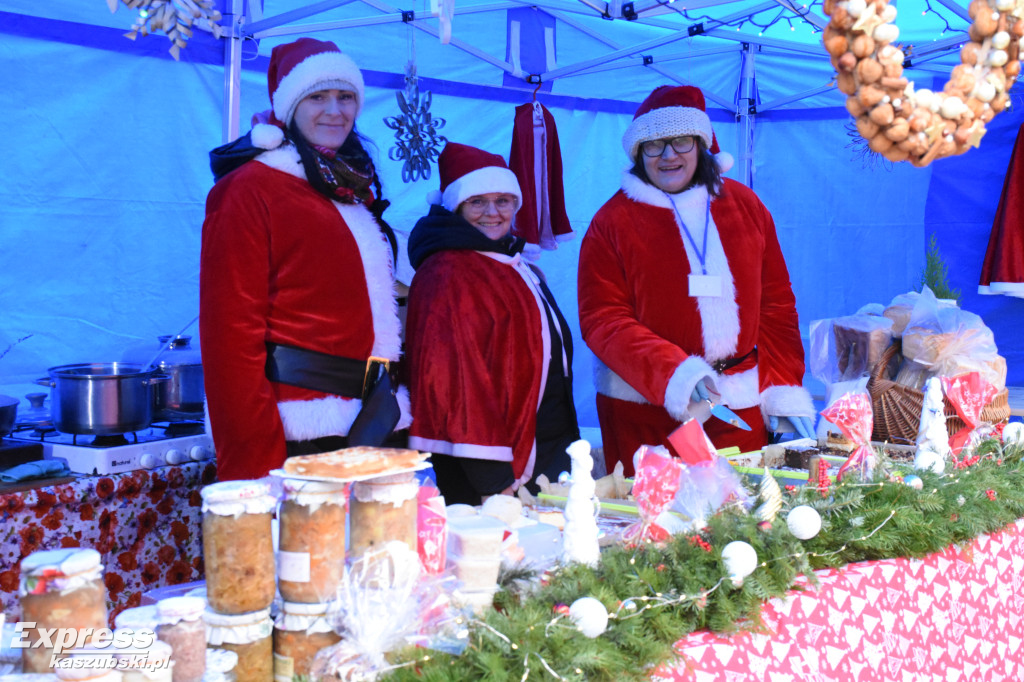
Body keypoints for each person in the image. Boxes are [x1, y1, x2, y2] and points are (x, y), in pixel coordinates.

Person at [577, 85, 815, 477]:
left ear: (701, 144)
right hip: (645, 413)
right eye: (653, 145)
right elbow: (603, 319)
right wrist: (673, 373)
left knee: (742, 524)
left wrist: (784, 389)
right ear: (639, 154)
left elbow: (776, 307)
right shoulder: (612, 222)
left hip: (737, 409)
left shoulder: (746, 207)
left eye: (681, 141)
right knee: (657, 528)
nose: (668, 155)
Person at [200, 38, 410, 481]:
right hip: (296, 431)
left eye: (346, 96)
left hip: (369, 421)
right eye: (318, 96)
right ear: (289, 106)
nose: (335, 110)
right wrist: (253, 461)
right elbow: (229, 335)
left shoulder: (347, 189)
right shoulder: (249, 190)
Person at [405, 143, 580, 505]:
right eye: (477, 202)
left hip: (542, 447)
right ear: (455, 207)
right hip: (490, 470)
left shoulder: (514, 265)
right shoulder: (447, 271)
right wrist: (494, 480)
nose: (492, 212)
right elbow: (455, 381)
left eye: (503, 200)